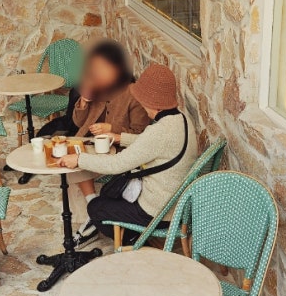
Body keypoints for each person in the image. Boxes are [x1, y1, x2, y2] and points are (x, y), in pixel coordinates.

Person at [57, 63, 197, 246]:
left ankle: (132, 239)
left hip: (159, 212)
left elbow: (117, 164)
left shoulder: (158, 132)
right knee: (107, 194)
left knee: (96, 208)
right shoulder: (182, 119)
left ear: (152, 103)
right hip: (177, 204)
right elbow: (152, 144)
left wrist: (78, 159)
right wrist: (119, 138)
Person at [40, 39, 151, 247]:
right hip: (89, 143)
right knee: (71, 162)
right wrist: (83, 101)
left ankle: (91, 219)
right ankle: (93, 211)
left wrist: (112, 129)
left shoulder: (133, 93)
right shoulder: (97, 87)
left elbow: (140, 134)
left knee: (79, 163)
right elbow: (77, 122)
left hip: (117, 150)